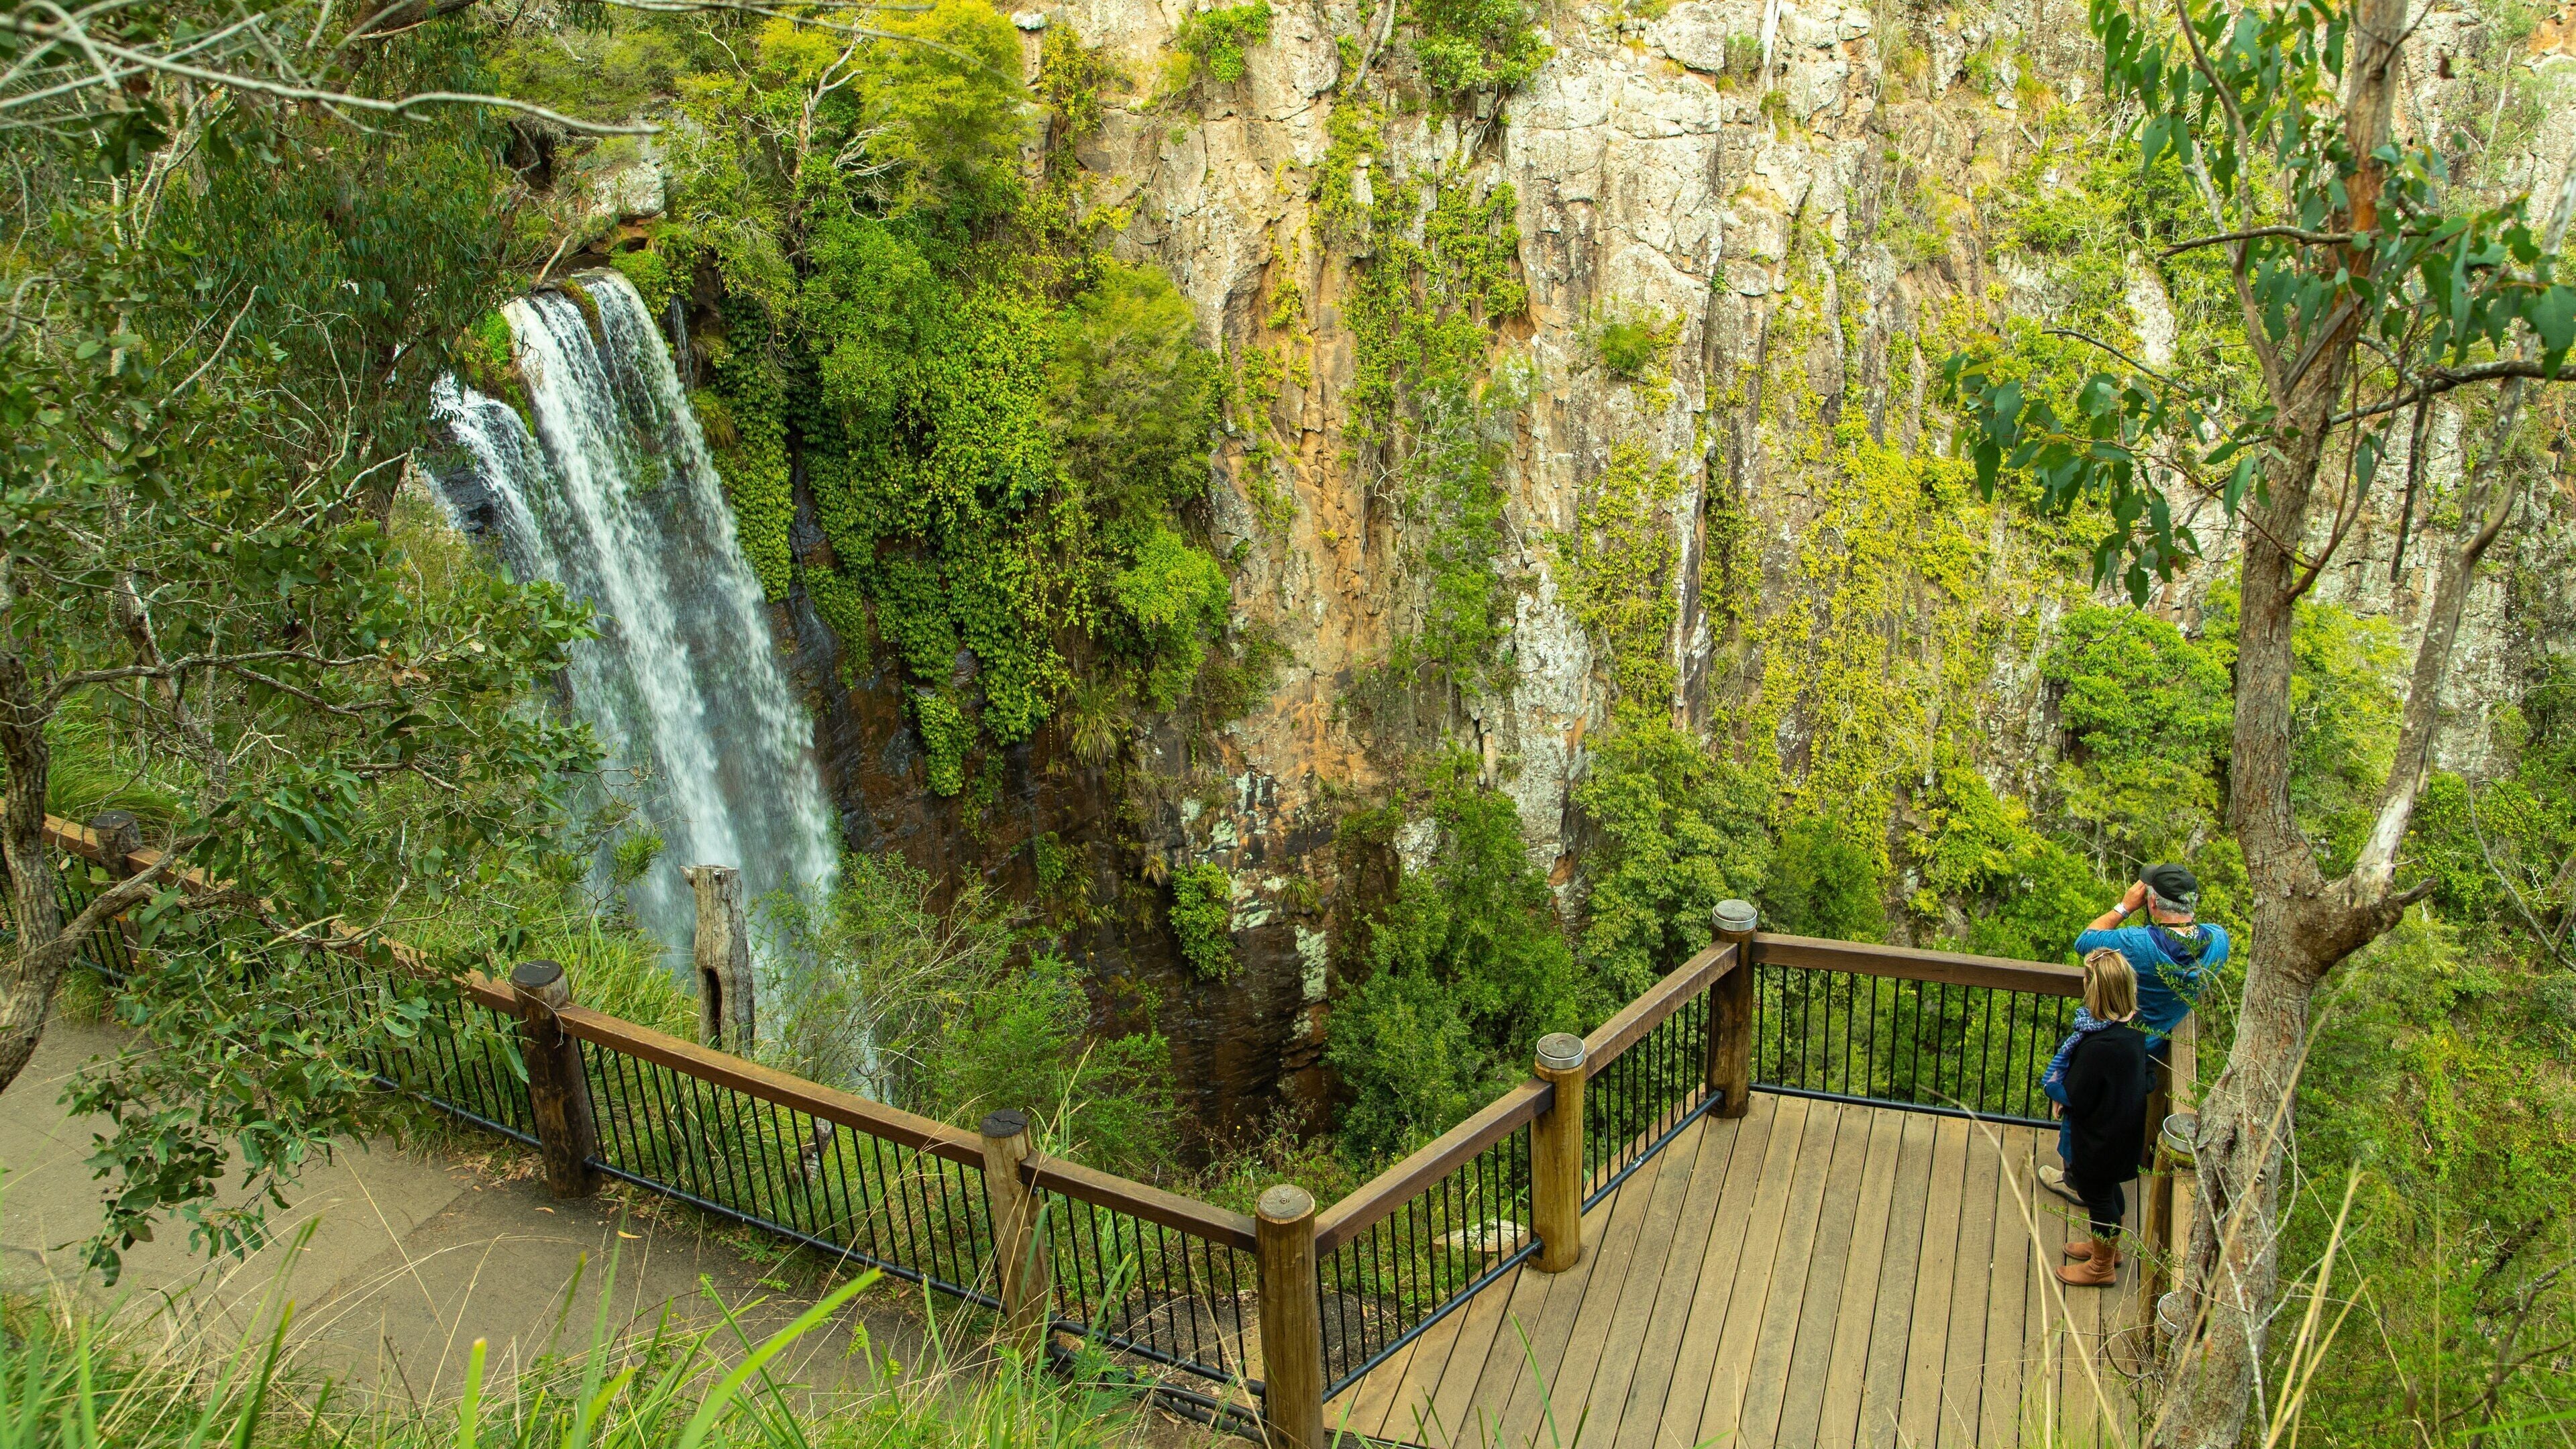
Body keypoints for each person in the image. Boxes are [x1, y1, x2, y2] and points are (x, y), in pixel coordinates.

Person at [2041, 861, 2226, 1203]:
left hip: (2108, 1039)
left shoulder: (2139, 944)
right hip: (2149, 1048)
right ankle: (2104, 1175)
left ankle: (2075, 1181)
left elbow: (2087, 941)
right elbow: (2202, 931)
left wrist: (2125, 906)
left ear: (2152, 902)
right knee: (2120, 1112)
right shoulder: (2217, 943)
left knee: (2080, 1107)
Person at [2052, 948, 2149, 1287]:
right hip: (2122, 1127)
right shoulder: (2134, 1026)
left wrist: (2059, 1095)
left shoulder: (2100, 1046)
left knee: (2098, 1196)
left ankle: (2101, 1267)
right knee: (2108, 1192)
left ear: (2097, 990)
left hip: (2100, 1137)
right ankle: (2106, 1249)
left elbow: (2075, 1093)